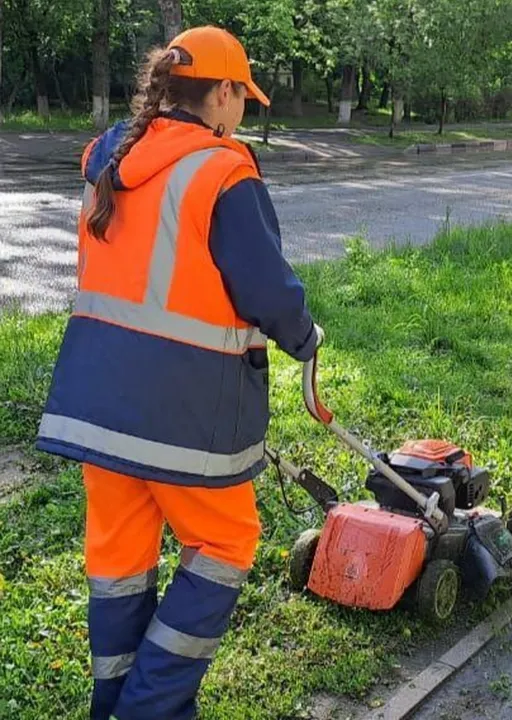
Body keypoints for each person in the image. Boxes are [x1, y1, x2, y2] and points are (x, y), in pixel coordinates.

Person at [35, 26, 322, 720]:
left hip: (97, 406)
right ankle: (149, 708)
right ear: (219, 93)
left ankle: (113, 705)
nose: (243, 113)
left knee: (119, 561)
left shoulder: (107, 156)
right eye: (241, 99)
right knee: (225, 543)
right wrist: (305, 336)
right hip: (184, 416)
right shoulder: (222, 170)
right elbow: (267, 291)